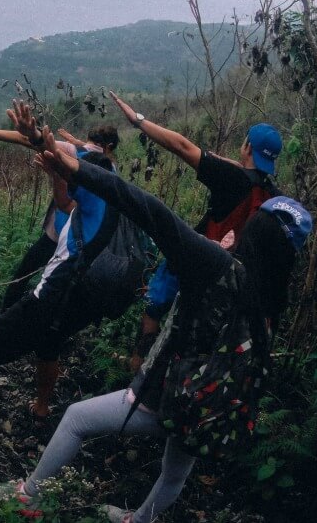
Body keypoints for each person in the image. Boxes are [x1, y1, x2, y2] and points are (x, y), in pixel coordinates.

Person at [4, 102, 310, 523]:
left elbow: (143, 205)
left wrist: (74, 167)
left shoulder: (215, 263)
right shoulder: (273, 302)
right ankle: (139, 520)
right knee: (175, 469)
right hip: (208, 408)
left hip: (170, 392)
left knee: (76, 419)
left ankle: (27, 496)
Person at [0, 115, 141, 420]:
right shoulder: (110, 187)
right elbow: (65, 204)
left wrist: (35, 138)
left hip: (61, 285)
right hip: (86, 293)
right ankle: (42, 407)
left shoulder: (90, 176)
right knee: (50, 343)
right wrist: (56, 175)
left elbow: (56, 159)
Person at [109, 92, 281, 371]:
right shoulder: (271, 194)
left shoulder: (230, 177)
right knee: (190, 328)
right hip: (226, 275)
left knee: (154, 307)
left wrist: (138, 120)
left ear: (247, 148)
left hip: (193, 255)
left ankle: (136, 366)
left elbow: (180, 145)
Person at [0, 122, 120, 311]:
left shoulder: (72, 151)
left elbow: (26, 139)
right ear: (109, 147)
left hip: (59, 232)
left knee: (25, 271)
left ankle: (6, 314)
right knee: (62, 285)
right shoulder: (111, 168)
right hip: (83, 239)